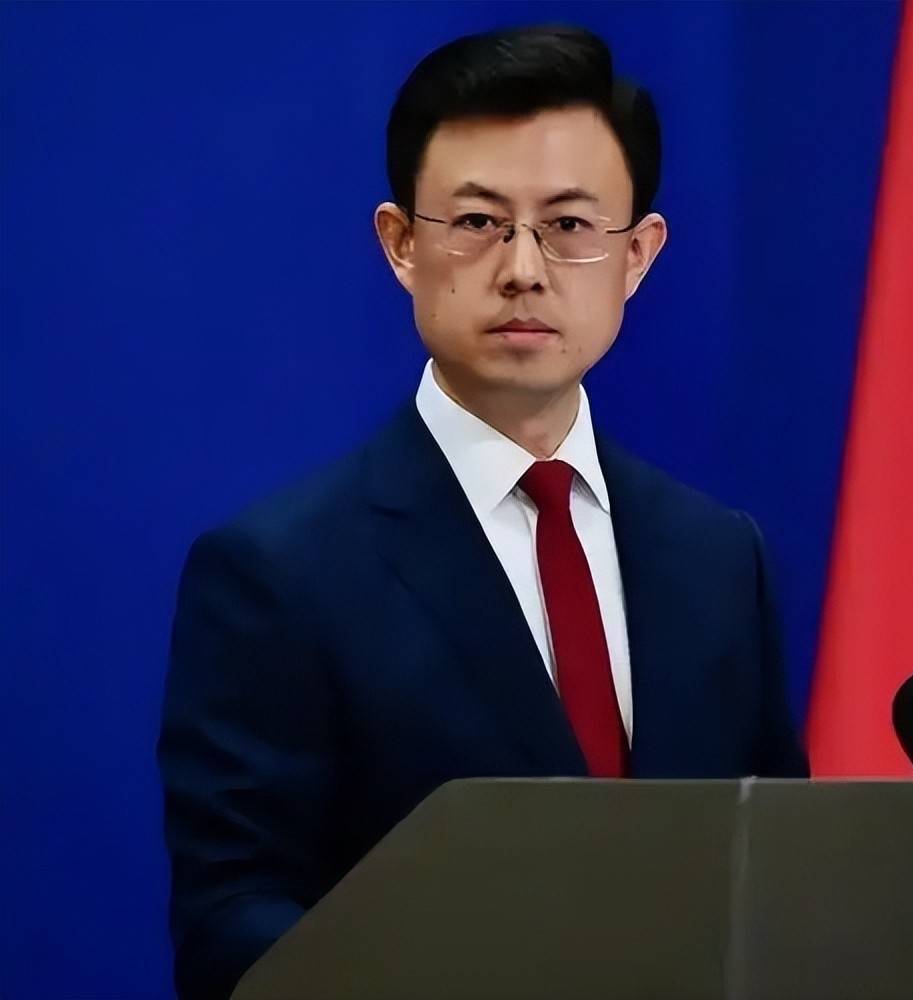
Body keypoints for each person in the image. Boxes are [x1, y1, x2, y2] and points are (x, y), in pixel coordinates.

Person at [157, 24, 808, 1000]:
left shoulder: (717, 556)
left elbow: (776, 879)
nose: (522, 268)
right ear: (401, 245)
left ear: (637, 255)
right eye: (476, 221)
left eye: (570, 225)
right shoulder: (277, 573)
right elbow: (233, 925)